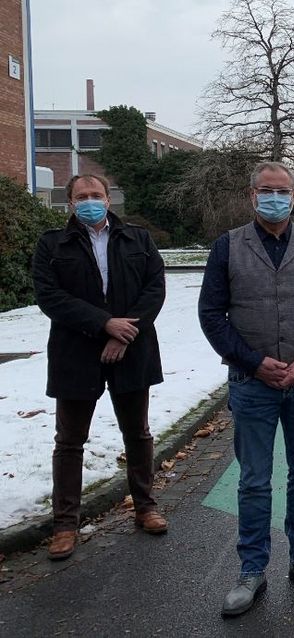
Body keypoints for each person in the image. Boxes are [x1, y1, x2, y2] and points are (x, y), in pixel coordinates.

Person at [198, 161, 294, 617]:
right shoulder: (228, 247)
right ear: (252, 195)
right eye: (266, 190)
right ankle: (251, 570)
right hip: (251, 384)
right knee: (254, 480)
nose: (274, 198)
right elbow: (211, 315)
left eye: (282, 191)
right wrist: (253, 362)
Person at [32, 174, 168, 561]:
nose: (89, 201)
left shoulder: (138, 239)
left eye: (96, 195)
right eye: (82, 196)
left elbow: (154, 289)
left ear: (109, 199)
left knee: (137, 433)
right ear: (70, 202)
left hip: (131, 350)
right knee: (69, 441)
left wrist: (124, 334)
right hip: (75, 352)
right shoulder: (52, 244)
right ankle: (65, 525)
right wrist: (104, 324)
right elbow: (49, 296)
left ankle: (145, 507)